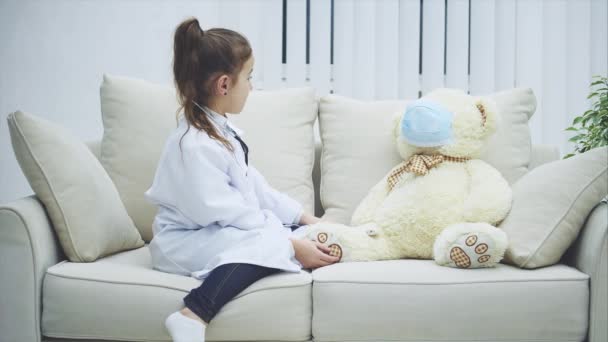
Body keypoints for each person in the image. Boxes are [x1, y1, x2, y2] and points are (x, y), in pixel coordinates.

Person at [144, 17, 340, 342]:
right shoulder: (193, 145)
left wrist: (304, 218)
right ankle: (193, 313)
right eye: (249, 77)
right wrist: (287, 242)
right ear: (224, 85)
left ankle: (290, 238)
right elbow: (226, 212)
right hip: (184, 241)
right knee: (265, 244)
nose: (252, 86)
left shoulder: (221, 131)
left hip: (214, 230)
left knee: (296, 234)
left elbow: (256, 188)